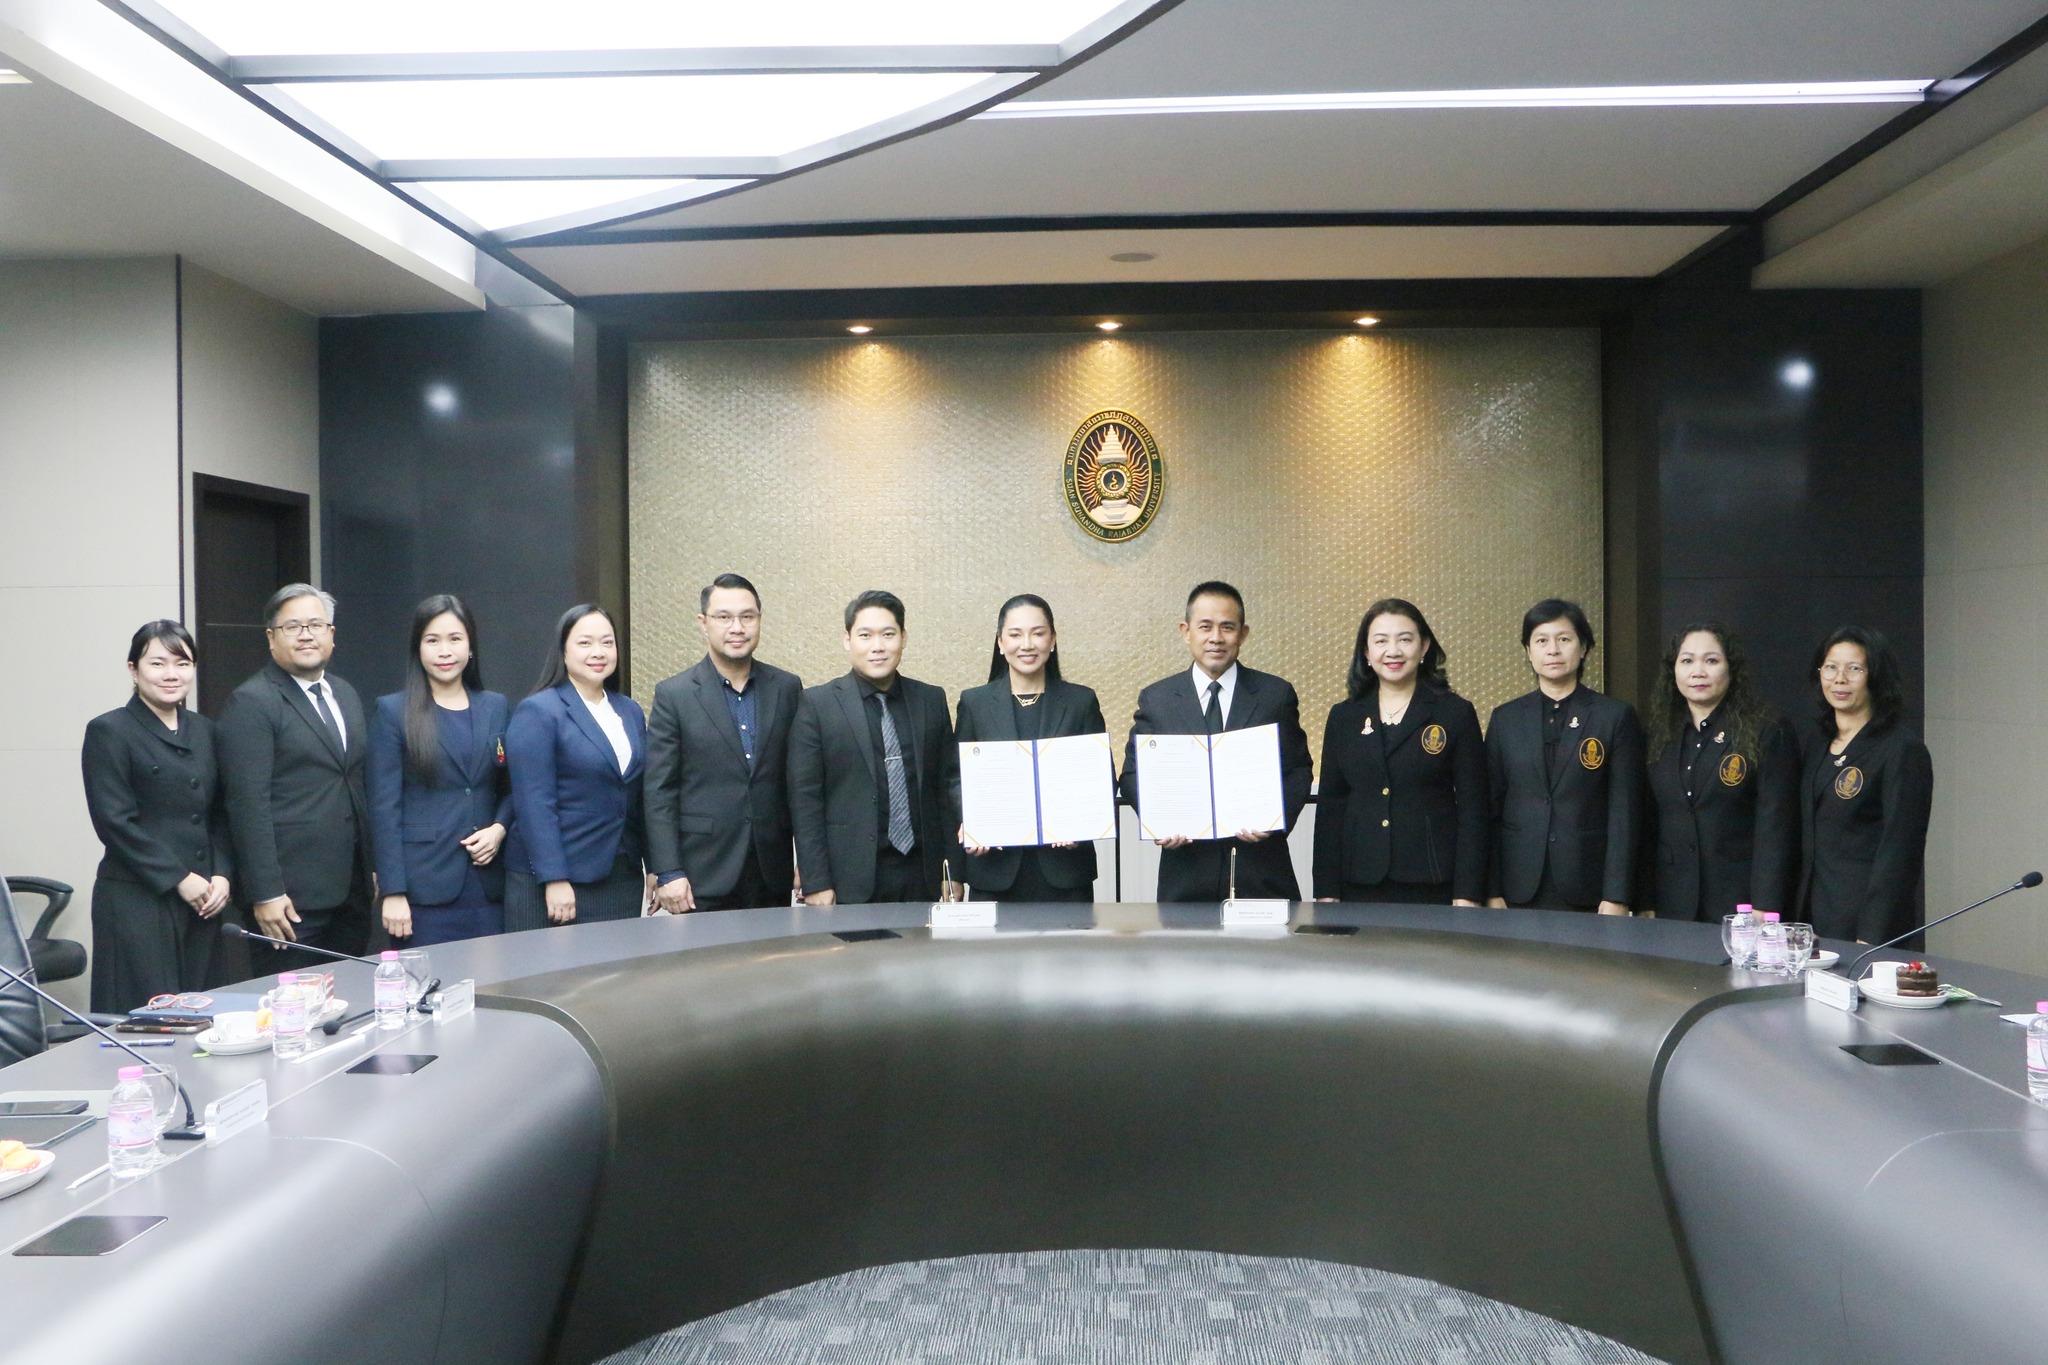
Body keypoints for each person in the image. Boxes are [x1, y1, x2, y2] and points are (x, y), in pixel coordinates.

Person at [1122, 581, 1314, 902]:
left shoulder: (1275, 695)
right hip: (1186, 875)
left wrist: (1274, 821)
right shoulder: (1158, 700)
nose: (1216, 637)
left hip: (1262, 871)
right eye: (1205, 627)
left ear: (1243, 633)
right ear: (1186, 632)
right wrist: (1159, 822)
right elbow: (1132, 775)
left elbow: (1298, 770)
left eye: (1227, 627)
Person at [218, 583, 373, 972]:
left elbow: (355, 784)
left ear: (331, 635)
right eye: (293, 627)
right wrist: (266, 892)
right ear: (271, 638)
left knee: (350, 998)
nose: (306, 635)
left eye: (316, 625)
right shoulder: (252, 702)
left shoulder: (345, 694)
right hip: (289, 904)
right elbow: (247, 804)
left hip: (350, 893)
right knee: (293, 1003)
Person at [80, 621, 233, 1013]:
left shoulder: (206, 730)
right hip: (138, 899)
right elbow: (114, 822)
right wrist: (180, 878)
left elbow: (219, 813)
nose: (171, 674)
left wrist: (221, 874)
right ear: (133, 669)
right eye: (157, 663)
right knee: (147, 1019)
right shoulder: (109, 730)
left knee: (203, 1014)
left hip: (203, 901)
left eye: (182, 663)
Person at [789, 590, 963, 905]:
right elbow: (805, 800)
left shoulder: (931, 700)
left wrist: (951, 870)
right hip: (847, 878)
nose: (877, 646)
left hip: (922, 874)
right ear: (847, 640)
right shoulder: (817, 704)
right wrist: (816, 881)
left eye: (888, 634)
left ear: (903, 638)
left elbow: (945, 790)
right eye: (865, 635)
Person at [645, 575, 802, 914]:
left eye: (747, 616)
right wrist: (668, 870)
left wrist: (808, 860)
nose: (737, 627)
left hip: (771, 870)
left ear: (759, 620)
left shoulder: (787, 688)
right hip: (702, 872)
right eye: (723, 617)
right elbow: (659, 791)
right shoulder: (675, 695)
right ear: (703, 623)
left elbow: (799, 782)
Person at [1313, 599, 1486, 906]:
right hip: (1358, 882)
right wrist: (1326, 891)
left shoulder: (1455, 713)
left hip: (1433, 882)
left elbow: (1474, 808)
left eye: (1405, 639)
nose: (1393, 651)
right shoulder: (1344, 717)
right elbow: (1331, 806)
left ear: (1424, 647)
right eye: (1381, 641)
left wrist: (1467, 894)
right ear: (1366, 652)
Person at [366, 595, 512, 948]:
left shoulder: (496, 706)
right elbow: (384, 808)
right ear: (418, 649)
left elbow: (511, 788)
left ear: (470, 646)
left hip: (487, 884)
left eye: (455, 639)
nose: (445, 651)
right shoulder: (393, 711)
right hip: (423, 887)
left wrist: (499, 828)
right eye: (432, 640)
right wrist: (393, 891)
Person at [1485, 599, 1642, 914]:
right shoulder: (1505, 719)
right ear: (1528, 651)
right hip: (1517, 886)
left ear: (1583, 648)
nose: (1553, 650)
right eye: (1541, 641)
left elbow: (1624, 813)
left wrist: (1616, 895)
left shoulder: (1614, 717)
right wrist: (1491, 889)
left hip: (1589, 885)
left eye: (1564, 639)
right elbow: (1488, 808)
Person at [503, 605, 647, 931]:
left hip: (621, 875)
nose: (598, 652)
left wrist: (654, 866)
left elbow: (639, 795)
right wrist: (554, 877)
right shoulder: (540, 710)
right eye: (585, 643)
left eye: (607, 642)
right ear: (563, 651)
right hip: (556, 882)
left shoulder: (630, 711)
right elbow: (534, 803)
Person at [955, 594, 1108, 903]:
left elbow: (1100, 776)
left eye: (1037, 633)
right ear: (1000, 643)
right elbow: (955, 777)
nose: (1026, 644)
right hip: (994, 869)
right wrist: (973, 821)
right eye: (1015, 634)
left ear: (1053, 640)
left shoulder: (1081, 702)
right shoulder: (975, 703)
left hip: (1065, 872)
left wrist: (1080, 824)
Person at [1644, 623, 1799, 922]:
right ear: (1673, 670)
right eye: (1687, 661)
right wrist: (1645, 898)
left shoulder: (1766, 730)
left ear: (1731, 669)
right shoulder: (1660, 733)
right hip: (1671, 900)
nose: (1698, 672)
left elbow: (1776, 826)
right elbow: (1649, 822)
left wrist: (1766, 906)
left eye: (1711, 660)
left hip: (1739, 903)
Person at [1797, 626, 1932, 945]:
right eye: (1830, 668)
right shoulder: (1819, 740)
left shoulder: (1901, 749)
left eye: (1854, 669)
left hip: (1864, 924)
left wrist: (1873, 934)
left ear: (1876, 676)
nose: (1839, 679)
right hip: (1813, 914)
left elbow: (1900, 852)